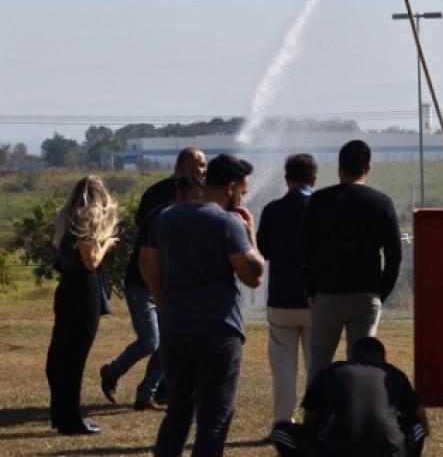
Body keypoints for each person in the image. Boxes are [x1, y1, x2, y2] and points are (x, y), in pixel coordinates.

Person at [140, 154, 265, 457]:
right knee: (215, 417)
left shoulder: (164, 218)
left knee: (178, 412)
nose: (242, 198)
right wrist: (251, 238)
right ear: (230, 188)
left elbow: (147, 265)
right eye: (243, 193)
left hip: (175, 327)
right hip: (218, 330)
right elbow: (252, 276)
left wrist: (163, 303)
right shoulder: (226, 222)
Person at [101, 147, 207, 411]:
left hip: (169, 282)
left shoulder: (182, 201)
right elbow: (142, 238)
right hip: (142, 282)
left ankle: (148, 394)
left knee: (169, 341)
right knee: (151, 341)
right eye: (200, 164)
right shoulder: (160, 204)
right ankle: (112, 371)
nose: (204, 170)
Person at [302, 140, 402, 381]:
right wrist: (381, 291)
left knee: (319, 363)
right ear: (367, 168)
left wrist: (310, 288)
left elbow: (304, 248)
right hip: (366, 293)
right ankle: (358, 414)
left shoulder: (318, 201)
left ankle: (315, 416)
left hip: (326, 294)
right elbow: (394, 255)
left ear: (340, 167)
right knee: (363, 365)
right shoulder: (382, 203)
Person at [270, 336, 429, 457]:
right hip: (388, 451)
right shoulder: (392, 373)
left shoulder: (331, 371)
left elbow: (311, 417)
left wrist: (313, 438)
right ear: (382, 358)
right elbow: (418, 413)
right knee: (417, 427)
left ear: (351, 356)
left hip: (334, 451)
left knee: (280, 432)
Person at [46, 175, 119, 435]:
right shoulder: (86, 219)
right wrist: (107, 243)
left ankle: (61, 415)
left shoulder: (64, 217)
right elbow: (91, 262)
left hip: (67, 288)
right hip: (82, 290)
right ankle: (71, 420)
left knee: (60, 355)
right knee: (74, 357)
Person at [257, 153, 318, 431]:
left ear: (286, 180)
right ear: (314, 179)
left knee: (283, 366)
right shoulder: (322, 207)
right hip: (317, 300)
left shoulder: (272, 210)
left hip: (281, 299)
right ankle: (315, 420)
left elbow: (264, 251)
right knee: (316, 365)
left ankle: (283, 421)